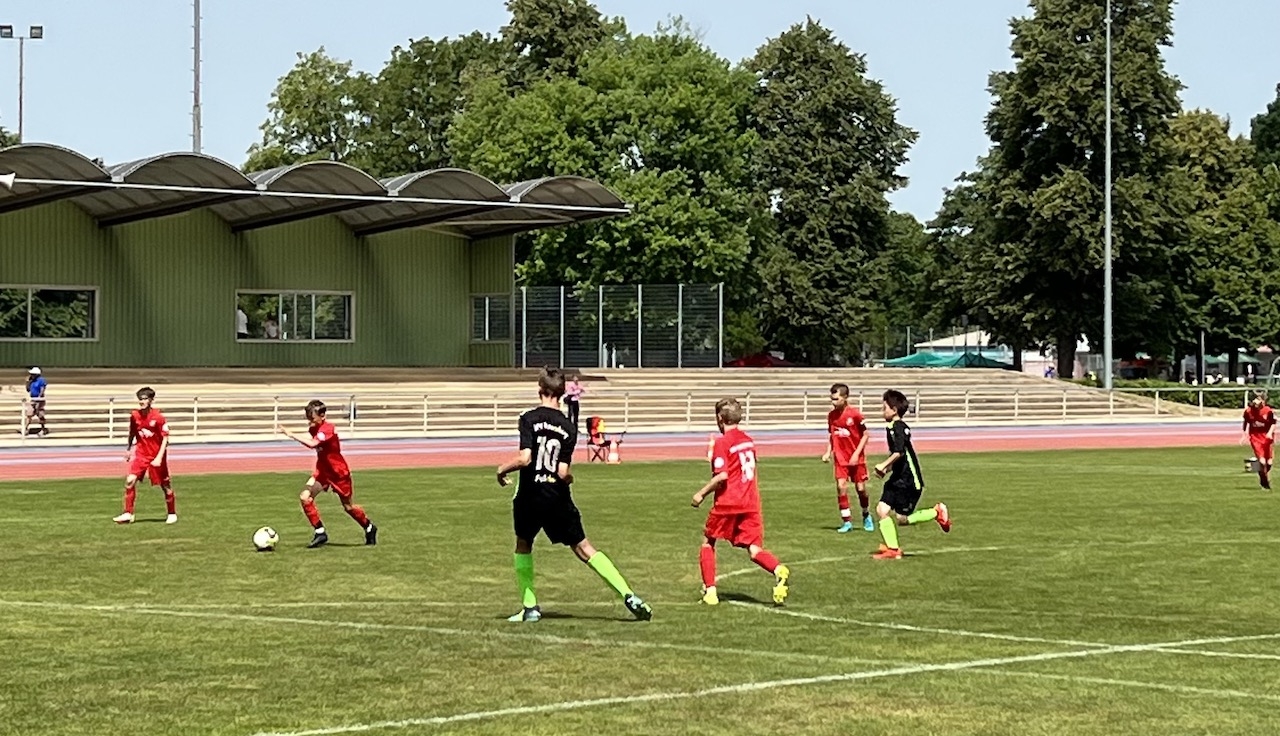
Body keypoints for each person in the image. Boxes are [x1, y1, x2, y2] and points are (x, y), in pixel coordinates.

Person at [495, 367, 651, 623]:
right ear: (562, 393)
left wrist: (501, 469)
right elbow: (563, 472)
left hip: (530, 495)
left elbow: (525, 459)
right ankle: (628, 594)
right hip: (556, 495)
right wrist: (569, 479)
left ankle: (530, 606)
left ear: (540, 389)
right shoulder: (568, 426)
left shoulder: (528, 418)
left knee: (523, 544)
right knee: (583, 547)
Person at [692, 397, 791, 606]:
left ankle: (710, 592)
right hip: (750, 502)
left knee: (708, 541)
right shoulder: (748, 440)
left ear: (720, 419)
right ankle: (778, 569)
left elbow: (722, 476)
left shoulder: (722, 442)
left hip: (728, 502)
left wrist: (701, 494)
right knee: (754, 550)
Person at [278, 400, 378, 548]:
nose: (310, 421)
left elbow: (313, 444)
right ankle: (320, 532)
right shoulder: (314, 428)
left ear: (322, 416)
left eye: (312, 418)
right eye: (308, 417)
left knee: (348, 507)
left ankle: (369, 527)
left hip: (338, 473)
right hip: (323, 472)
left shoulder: (328, 429)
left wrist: (291, 434)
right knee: (305, 497)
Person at [870, 389, 951, 560]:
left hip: (909, 480)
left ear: (894, 410)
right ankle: (893, 549)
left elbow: (899, 452)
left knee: (902, 519)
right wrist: (887, 470)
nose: (882, 411)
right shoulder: (892, 427)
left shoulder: (899, 427)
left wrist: (883, 465)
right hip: (898, 477)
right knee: (882, 509)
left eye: (884, 408)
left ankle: (936, 512)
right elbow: (900, 455)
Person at [114, 387, 177, 524]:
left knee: (165, 485)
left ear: (151, 400)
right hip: (141, 454)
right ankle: (128, 513)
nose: (142, 402)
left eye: (145, 399)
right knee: (130, 480)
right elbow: (132, 433)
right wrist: (128, 449)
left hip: (156, 455)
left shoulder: (158, 417)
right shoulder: (135, 416)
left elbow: (165, 438)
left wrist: (159, 457)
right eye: (140, 399)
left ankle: (172, 513)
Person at [821, 383, 873, 533]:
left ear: (845, 397)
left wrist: (856, 454)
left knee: (860, 489)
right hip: (840, 458)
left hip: (856, 458)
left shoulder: (855, 415)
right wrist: (828, 452)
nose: (833, 402)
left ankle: (866, 514)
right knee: (841, 486)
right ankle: (847, 521)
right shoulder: (831, 416)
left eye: (836, 399)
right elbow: (832, 435)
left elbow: (865, 435)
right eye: (832, 399)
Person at [1242, 390, 1276, 490]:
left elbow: (1273, 423)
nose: (1255, 401)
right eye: (1255, 399)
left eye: (1258, 399)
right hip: (1255, 438)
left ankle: (1262, 475)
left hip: (1267, 438)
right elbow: (1245, 422)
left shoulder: (1268, 411)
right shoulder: (1248, 411)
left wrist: (1269, 433)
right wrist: (1244, 434)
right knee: (1262, 461)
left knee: (1269, 463)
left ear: (1263, 401)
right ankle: (1264, 482)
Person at [23, 367, 48, 437]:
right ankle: (26, 428)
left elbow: (42, 390)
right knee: (29, 414)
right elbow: (28, 390)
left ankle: (43, 429)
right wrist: (27, 382)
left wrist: (39, 399)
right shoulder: (31, 381)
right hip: (33, 399)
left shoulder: (41, 380)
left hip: (39, 400)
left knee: (40, 415)